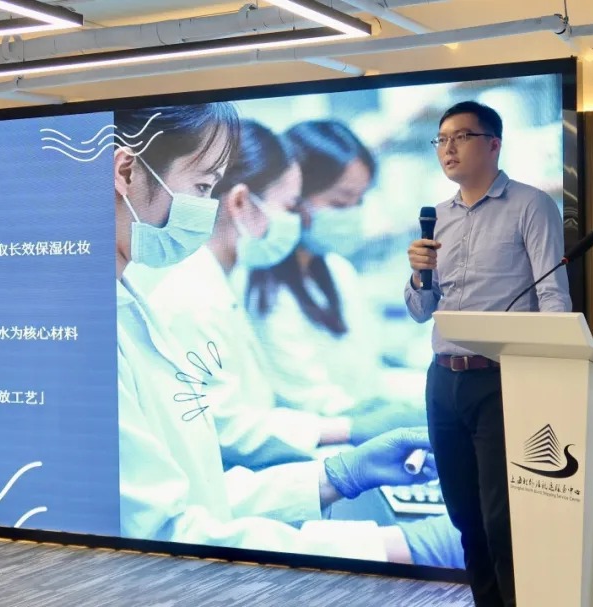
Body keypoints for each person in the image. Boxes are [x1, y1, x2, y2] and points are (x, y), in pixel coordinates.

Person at [112, 103, 462, 567]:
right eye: (202, 187)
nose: (208, 206)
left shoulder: (140, 305)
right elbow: (166, 529)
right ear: (125, 172)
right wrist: (395, 548)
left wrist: (338, 474)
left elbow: (202, 492)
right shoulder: (168, 302)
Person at [125, 119, 409, 471]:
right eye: (290, 207)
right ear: (241, 202)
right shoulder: (194, 295)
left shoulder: (217, 284)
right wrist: (348, 430)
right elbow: (225, 425)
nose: (296, 220)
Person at [403, 100, 571, 607]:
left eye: (461, 136)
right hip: (443, 380)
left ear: (493, 144)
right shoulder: (438, 219)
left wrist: (551, 380)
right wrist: (418, 275)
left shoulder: (531, 205)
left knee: (503, 519)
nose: (448, 148)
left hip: (502, 380)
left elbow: (553, 298)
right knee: (465, 516)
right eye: (441, 139)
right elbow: (421, 310)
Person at [245, 119, 425, 423]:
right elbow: (312, 399)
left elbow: (367, 379)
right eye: (340, 203)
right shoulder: (262, 290)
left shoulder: (337, 270)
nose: (353, 215)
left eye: (359, 201)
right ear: (293, 196)